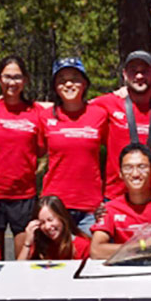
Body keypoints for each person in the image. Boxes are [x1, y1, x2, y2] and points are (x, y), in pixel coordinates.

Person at [0, 56, 44, 258]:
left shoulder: (36, 112)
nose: (12, 82)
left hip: (23, 195)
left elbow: (41, 150)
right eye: (7, 77)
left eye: (17, 77)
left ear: (25, 80)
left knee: (23, 258)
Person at [40, 57, 108, 233]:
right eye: (62, 80)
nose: (68, 84)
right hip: (55, 205)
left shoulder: (99, 115)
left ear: (84, 84)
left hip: (90, 206)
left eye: (75, 79)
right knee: (56, 258)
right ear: (55, 87)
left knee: (88, 257)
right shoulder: (45, 116)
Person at [92, 50, 151, 199]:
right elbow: (72, 105)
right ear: (124, 75)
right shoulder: (108, 103)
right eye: (133, 71)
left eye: (145, 71)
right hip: (116, 195)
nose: (139, 76)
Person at [90, 144, 151, 259]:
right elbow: (96, 251)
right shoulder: (110, 209)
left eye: (142, 167)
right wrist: (143, 245)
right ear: (120, 173)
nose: (135, 174)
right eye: (128, 168)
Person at [18, 195, 92, 261]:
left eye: (50, 220)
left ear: (62, 218)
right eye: (42, 222)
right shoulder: (39, 244)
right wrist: (27, 243)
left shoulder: (83, 246)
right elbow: (19, 270)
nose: (47, 227)